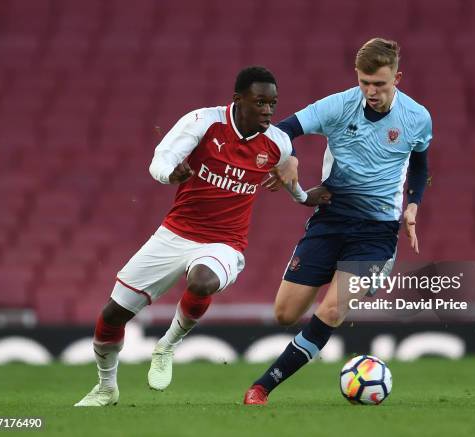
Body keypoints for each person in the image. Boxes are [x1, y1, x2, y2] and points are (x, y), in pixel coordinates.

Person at [74, 66, 330, 407]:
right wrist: (170, 173)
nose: (268, 110)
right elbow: (161, 159)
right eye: (260, 102)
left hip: (225, 243)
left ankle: (168, 343)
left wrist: (303, 197)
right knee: (111, 316)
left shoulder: (278, 143)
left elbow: (290, 180)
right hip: (175, 234)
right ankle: (106, 387)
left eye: (273, 103)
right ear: (238, 100)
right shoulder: (203, 122)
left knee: (203, 280)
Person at [243, 38, 433, 405]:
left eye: (380, 84)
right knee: (285, 313)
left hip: (377, 230)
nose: (371, 91)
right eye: (364, 82)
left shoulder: (417, 117)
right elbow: (282, 129)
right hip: (331, 218)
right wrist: (291, 159)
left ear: (398, 77)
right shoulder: (339, 105)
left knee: (331, 309)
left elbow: (421, 160)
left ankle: (261, 387)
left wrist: (413, 204)